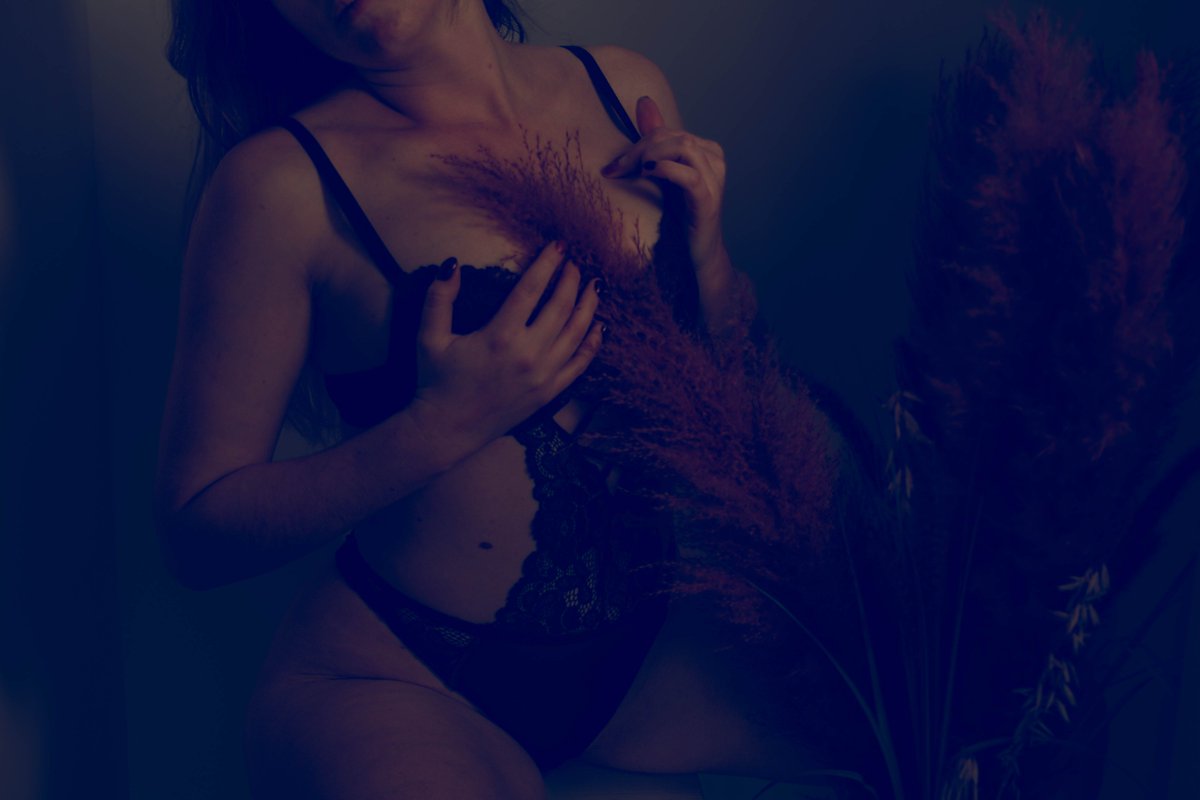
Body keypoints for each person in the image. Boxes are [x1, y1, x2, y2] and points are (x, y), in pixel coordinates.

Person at [155, 1, 822, 797]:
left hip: (644, 659)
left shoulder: (623, 88)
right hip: (401, 677)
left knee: (915, 719)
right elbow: (196, 529)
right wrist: (438, 427)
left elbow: (736, 377)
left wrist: (706, 258)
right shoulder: (278, 185)